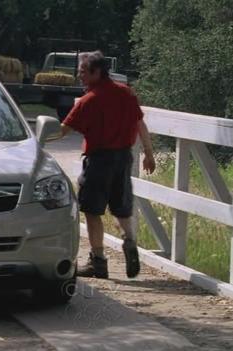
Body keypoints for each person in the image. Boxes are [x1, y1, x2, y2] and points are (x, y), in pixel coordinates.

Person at [59, 51, 156, 279]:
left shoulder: (88, 100)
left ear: (97, 72)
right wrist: (149, 154)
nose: (79, 76)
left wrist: (37, 139)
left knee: (92, 211)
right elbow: (140, 124)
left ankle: (98, 262)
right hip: (123, 158)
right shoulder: (126, 93)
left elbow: (63, 130)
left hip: (99, 160)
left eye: (83, 72)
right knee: (121, 207)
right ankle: (130, 241)